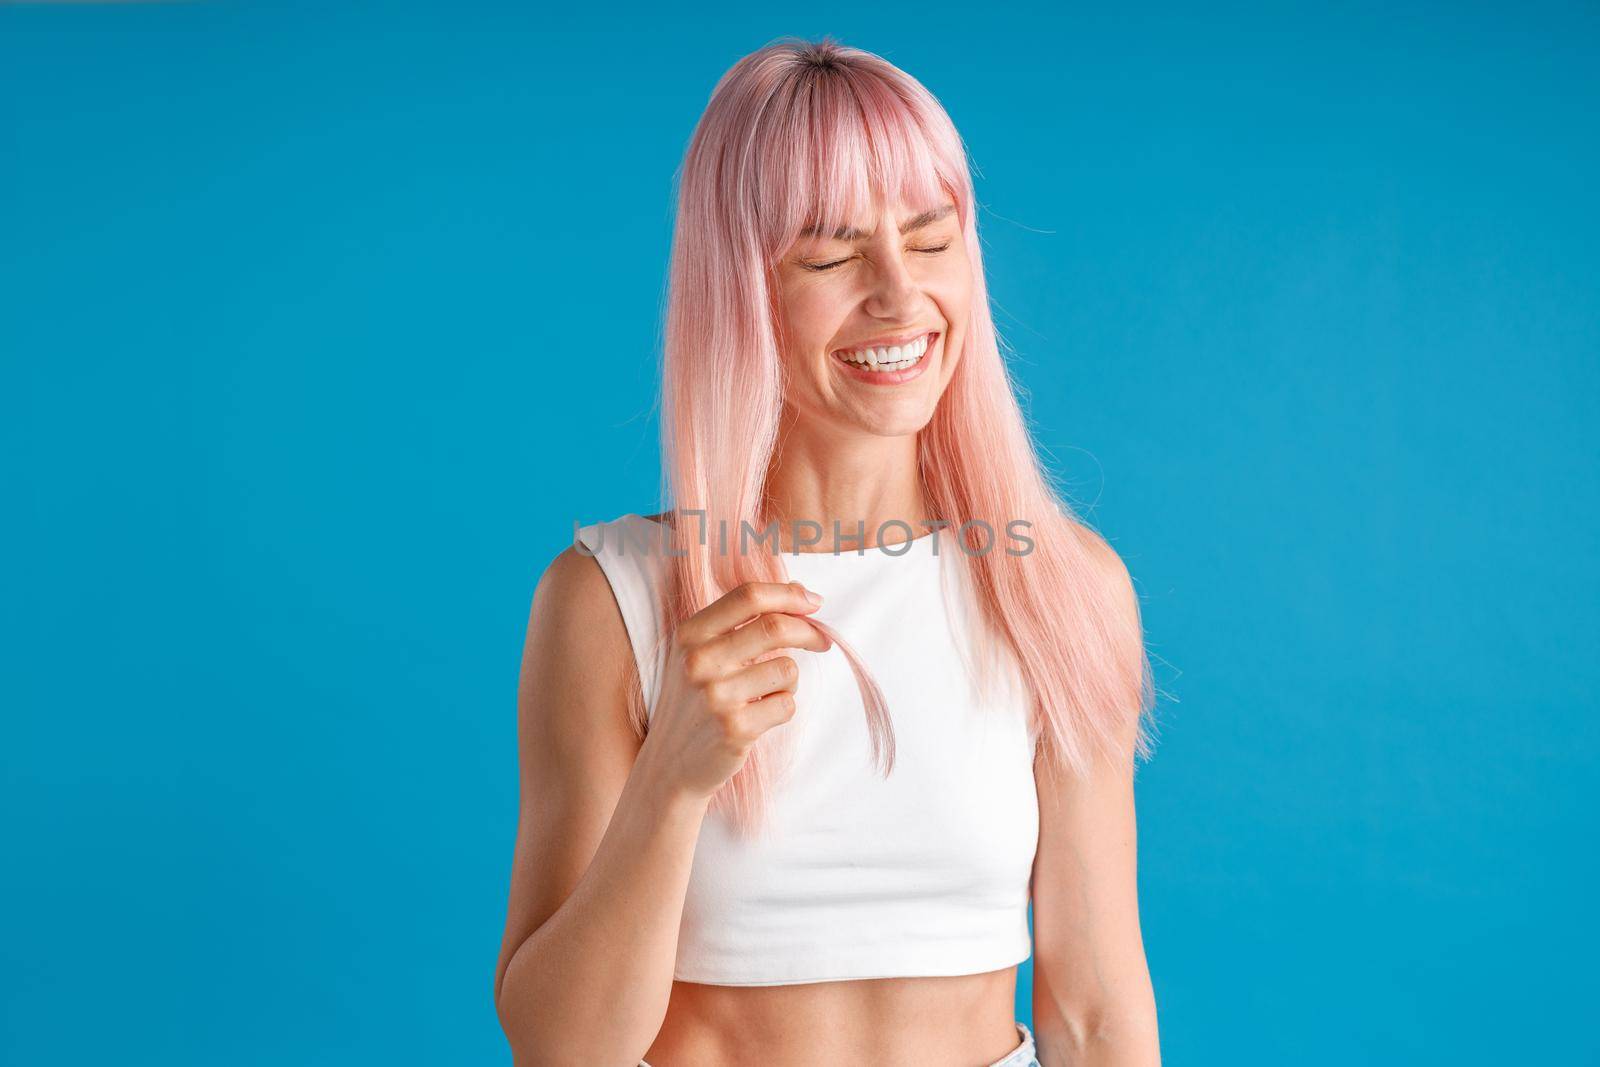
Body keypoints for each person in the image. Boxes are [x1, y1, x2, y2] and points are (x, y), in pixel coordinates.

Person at [493, 35, 1162, 1066]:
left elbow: (1094, 1008)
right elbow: (559, 1048)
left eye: (931, 239)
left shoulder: (1057, 586)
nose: (897, 295)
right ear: (740, 286)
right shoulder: (610, 600)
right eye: (830, 253)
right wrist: (673, 777)